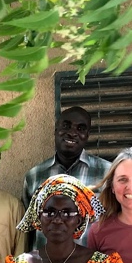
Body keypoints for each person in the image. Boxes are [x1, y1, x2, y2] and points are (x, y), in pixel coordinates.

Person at [22, 106, 111, 249]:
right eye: (66, 126)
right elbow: (28, 231)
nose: (72, 133)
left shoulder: (107, 174)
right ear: (56, 130)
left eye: (80, 129)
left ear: (87, 135)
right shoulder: (34, 176)